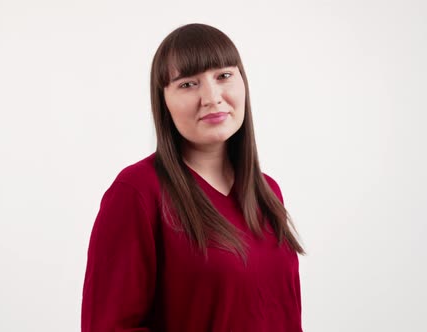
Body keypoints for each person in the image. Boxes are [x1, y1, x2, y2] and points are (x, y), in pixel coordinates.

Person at [81, 23, 305, 332]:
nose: (212, 97)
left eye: (223, 76)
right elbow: (107, 326)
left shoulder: (267, 191)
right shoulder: (137, 192)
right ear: (164, 102)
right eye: (188, 84)